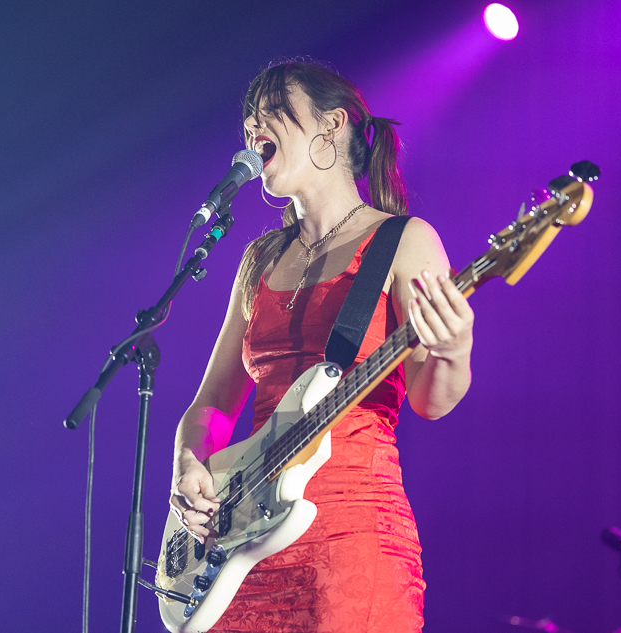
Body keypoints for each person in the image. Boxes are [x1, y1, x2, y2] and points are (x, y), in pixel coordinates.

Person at [168, 61, 474, 633]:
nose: (252, 129)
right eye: (247, 121)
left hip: (349, 538)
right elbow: (212, 402)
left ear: (332, 125)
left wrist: (453, 348)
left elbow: (431, 400)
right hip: (241, 551)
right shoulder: (259, 259)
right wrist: (188, 462)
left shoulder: (404, 240)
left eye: (271, 113)